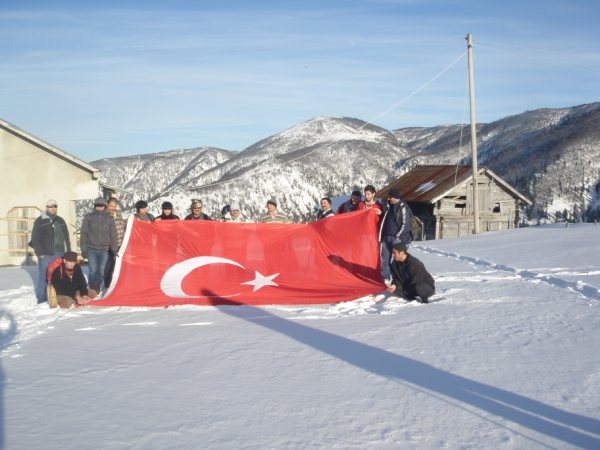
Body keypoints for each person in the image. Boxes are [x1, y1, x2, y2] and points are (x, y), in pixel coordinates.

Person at [30, 199, 71, 304]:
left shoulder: (61, 220)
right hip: (46, 255)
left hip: (61, 254)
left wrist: (68, 253)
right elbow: (35, 238)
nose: (53, 208)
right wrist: (39, 253)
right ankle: (42, 300)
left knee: (59, 277)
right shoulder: (40, 220)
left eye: (55, 206)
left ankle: (57, 298)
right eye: (51, 206)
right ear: (47, 208)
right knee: (44, 277)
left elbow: (66, 237)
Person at [80, 197, 117, 296]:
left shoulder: (109, 218)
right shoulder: (89, 217)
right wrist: (83, 249)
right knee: (93, 269)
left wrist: (114, 249)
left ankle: (97, 286)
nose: (99, 208)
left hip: (104, 249)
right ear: (95, 206)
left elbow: (113, 235)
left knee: (100, 270)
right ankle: (93, 287)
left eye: (101, 206)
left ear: (104, 206)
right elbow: (84, 233)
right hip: (91, 248)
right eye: (97, 206)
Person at [379, 188, 413, 280]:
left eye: (390, 197)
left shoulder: (403, 207)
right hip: (387, 237)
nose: (388, 199)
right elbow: (387, 220)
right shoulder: (389, 207)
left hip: (398, 239)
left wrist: (397, 236)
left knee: (398, 260)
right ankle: (386, 277)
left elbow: (406, 225)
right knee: (385, 258)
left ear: (396, 197)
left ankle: (398, 278)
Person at [104, 197, 126, 288]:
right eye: (111, 206)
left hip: (120, 243)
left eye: (114, 206)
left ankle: (117, 283)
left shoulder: (118, 214)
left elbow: (122, 225)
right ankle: (107, 284)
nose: (112, 208)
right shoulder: (104, 215)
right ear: (107, 205)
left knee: (118, 264)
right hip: (110, 244)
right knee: (109, 265)